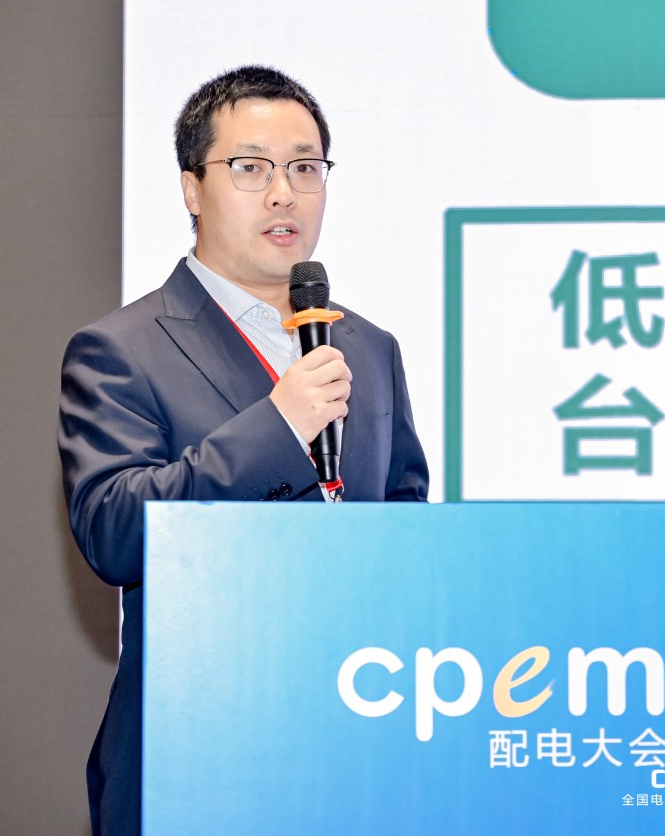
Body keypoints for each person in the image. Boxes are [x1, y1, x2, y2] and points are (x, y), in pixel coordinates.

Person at [58, 65, 428, 835]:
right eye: (251, 168)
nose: (284, 193)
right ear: (192, 189)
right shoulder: (121, 349)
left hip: (356, 747)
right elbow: (114, 530)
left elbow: (404, 532)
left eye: (305, 168)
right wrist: (277, 427)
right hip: (198, 749)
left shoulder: (369, 347)